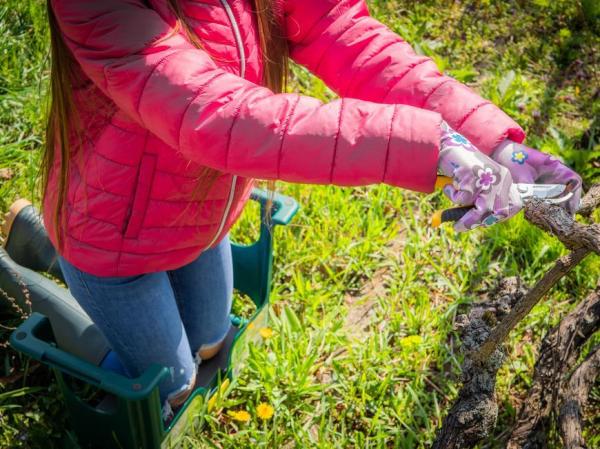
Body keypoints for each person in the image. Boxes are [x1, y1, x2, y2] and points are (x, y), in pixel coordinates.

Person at [39, 0, 582, 420]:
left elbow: (345, 36)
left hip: (196, 222)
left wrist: (488, 139)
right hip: (109, 238)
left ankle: (36, 242)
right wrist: (431, 147)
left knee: (210, 338)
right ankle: (27, 278)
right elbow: (221, 118)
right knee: (169, 382)